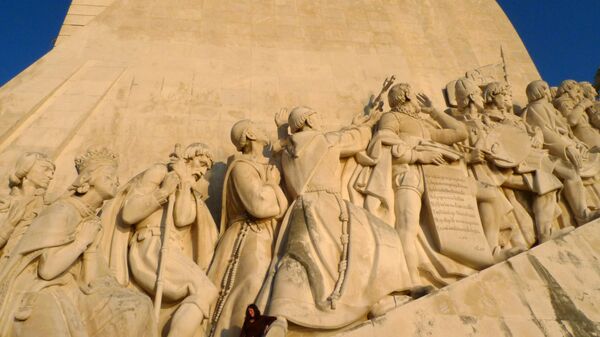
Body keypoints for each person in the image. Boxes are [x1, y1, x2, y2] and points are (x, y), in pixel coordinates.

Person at [259, 105, 414, 331]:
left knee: (299, 258)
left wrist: (283, 134)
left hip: (300, 207)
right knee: (380, 237)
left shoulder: (285, 151)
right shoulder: (326, 140)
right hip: (328, 203)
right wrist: (366, 124)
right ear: (309, 121)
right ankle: (378, 300)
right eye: (316, 116)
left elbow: (288, 145)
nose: (320, 119)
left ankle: (280, 315)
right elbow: (356, 140)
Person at [0, 146, 156, 337]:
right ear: (86, 179)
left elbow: (89, 280)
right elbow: (47, 270)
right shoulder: (62, 210)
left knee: (139, 305)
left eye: (116, 176)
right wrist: (81, 242)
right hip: (40, 288)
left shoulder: (91, 220)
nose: (115, 180)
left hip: (73, 286)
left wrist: (109, 290)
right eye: (108, 175)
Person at [102, 143, 218, 337]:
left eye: (207, 168)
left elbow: (182, 218)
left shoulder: (187, 188)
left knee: (204, 297)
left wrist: (183, 184)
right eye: (201, 163)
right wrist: (163, 192)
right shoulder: (159, 172)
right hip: (151, 244)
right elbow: (129, 214)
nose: (202, 171)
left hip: (173, 249)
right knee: (205, 289)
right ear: (187, 157)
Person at [207, 120, 288, 337]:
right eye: (260, 127)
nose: (265, 131)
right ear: (251, 133)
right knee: (250, 287)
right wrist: (272, 185)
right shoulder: (241, 167)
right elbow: (259, 206)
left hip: (268, 237)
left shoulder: (267, 166)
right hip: (248, 238)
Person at [482, 81, 562, 244]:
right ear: (491, 97)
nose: (507, 99)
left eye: (509, 95)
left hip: (530, 161)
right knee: (547, 183)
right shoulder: (487, 117)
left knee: (550, 182)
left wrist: (535, 137)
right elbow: (492, 143)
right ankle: (545, 234)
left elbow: (534, 133)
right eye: (503, 95)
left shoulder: (514, 118)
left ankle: (546, 232)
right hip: (505, 169)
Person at [522, 80, 600, 225]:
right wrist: (566, 147)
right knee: (571, 172)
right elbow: (545, 131)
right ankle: (582, 215)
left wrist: (576, 143)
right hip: (549, 154)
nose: (548, 91)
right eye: (544, 88)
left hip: (569, 146)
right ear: (540, 90)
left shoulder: (547, 107)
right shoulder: (536, 108)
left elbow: (564, 129)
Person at [0, 152, 55, 259]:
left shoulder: (45, 208)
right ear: (26, 170)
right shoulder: (5, 202)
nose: (50, 176)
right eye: (46, 169)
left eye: (52, 172)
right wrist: (10, 224)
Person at [553, 79, 600, 150]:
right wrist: (583, 105)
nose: (579, 95)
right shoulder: (563, 102)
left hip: (593, 134)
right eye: (577, 91)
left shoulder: (575, 103)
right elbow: (571, 120)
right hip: (587, 137)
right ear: (568, 89)